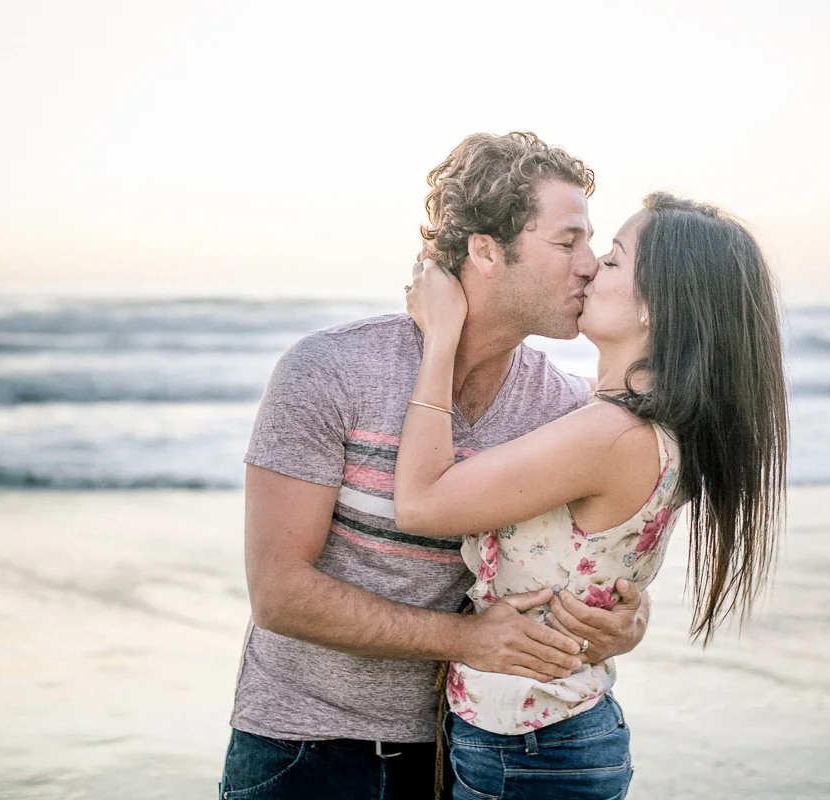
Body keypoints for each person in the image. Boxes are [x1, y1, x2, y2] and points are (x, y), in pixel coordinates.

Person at [219, 132, 652, 800]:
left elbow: (586, 561)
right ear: (485, 250)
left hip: (460, 752)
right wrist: (465, 638)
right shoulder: (331, 370)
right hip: (301, 748)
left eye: (592, 244)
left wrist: (626, 619)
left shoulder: (565, 412)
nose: (590, 265)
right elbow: (279, 593)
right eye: (568, 243)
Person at [395, 192, 789, 800]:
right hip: (544, 738)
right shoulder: (636, 425)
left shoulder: (611, 436)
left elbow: (420, 504)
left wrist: (441, 340)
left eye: (612, 260)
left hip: (531, 750)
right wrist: (630, 623)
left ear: (656, 309)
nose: (587, 267)